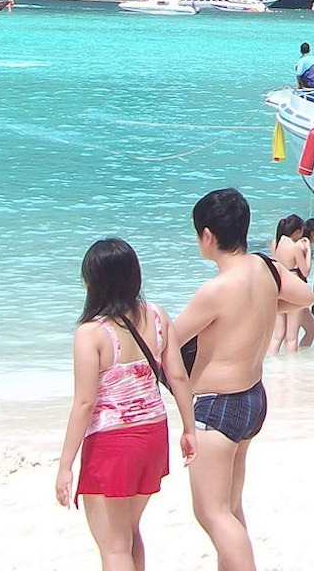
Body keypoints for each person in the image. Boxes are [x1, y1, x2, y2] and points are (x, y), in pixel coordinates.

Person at [172, 188, 312, 571]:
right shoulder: (265, 268)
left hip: (218, 404)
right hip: (252, 398)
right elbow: (307, 295)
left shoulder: (214, 290)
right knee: (230, 508)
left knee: (212, 514)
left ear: (207, 236)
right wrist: (265, 304)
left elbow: (166, 340)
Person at [56, 238, 196, 571]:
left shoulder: (91, 334)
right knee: (130, 532)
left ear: (94, 282)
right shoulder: (158, 316)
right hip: (152, 435)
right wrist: (189, 429)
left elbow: (85, 403)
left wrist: (65, 465)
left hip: (112, 444)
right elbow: (178, 378)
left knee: (114, 546)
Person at [266, 215, 311, 356]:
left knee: (278, 335)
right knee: (292, 337)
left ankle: (273, 368)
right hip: (293, 283)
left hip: (278, 284)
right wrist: (308, 251)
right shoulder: (295, 247)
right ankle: (291, 372)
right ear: (297, 231)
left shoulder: (275, 243)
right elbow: (305, 271)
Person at [296, 218, 314, 347]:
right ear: (313, 233)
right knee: (309, 330)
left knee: (286, 333)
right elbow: (305, 271)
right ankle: (293, 360)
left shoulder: (296, 243)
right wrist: (309, 252)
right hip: (296, 292)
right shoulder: (303, 246)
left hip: (289, 290)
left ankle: (292, 361)